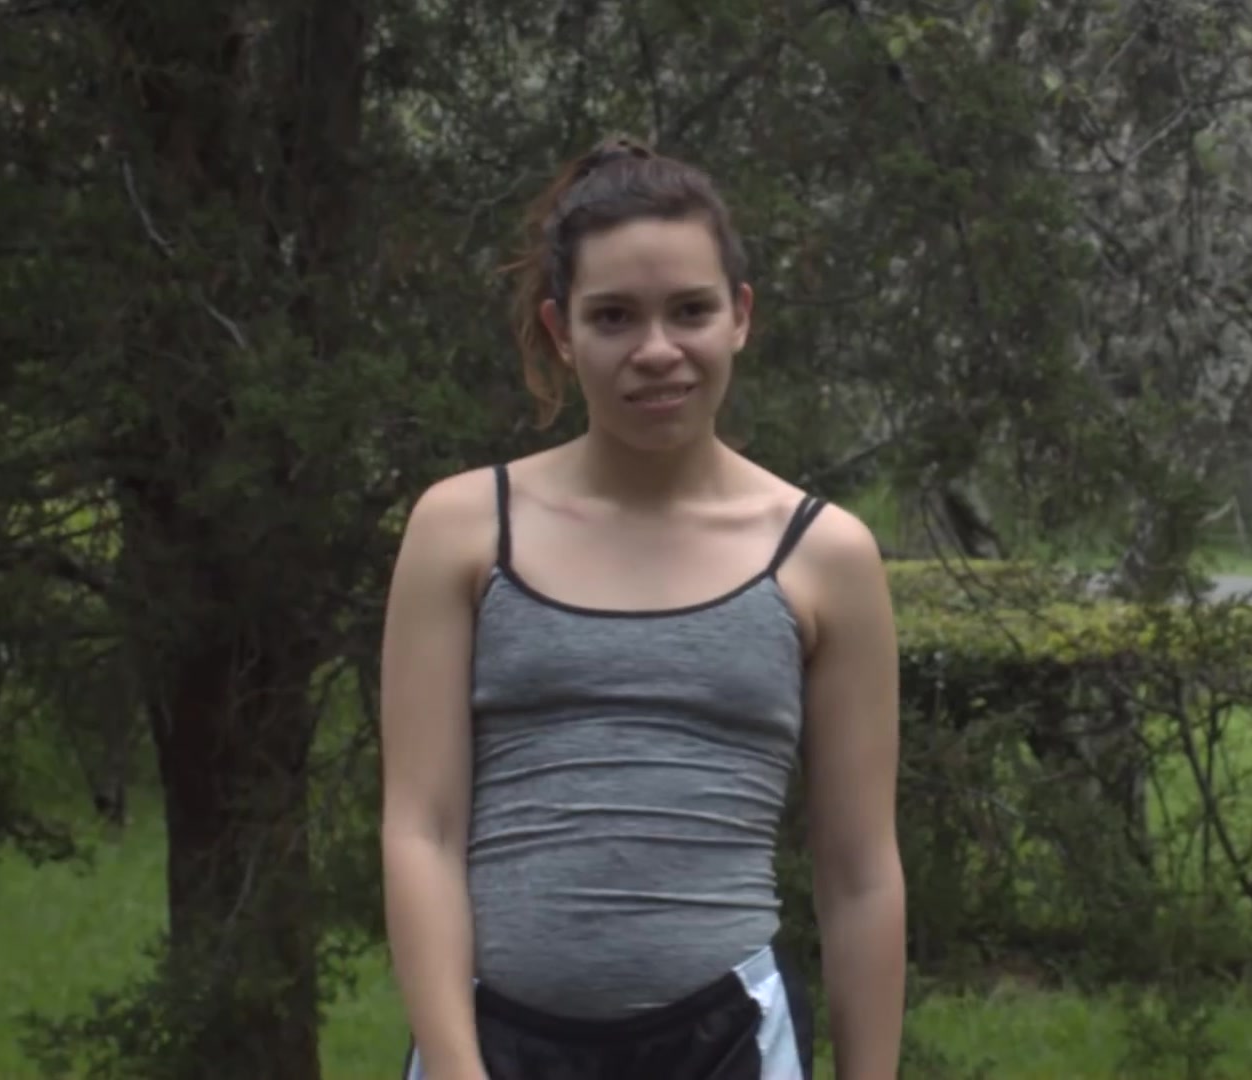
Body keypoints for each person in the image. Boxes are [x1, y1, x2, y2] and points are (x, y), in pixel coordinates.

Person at [377, 136, 906, 1080]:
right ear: (561, 329)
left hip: (729, 1045)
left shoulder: (826, 557)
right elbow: (422, 830)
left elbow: (859, 873)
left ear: (740, 316)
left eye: (690, 310)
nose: (657, 351)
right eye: (614, 316)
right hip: (492, 1044)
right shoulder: (463, 530)